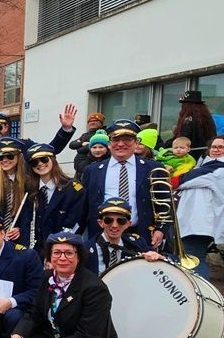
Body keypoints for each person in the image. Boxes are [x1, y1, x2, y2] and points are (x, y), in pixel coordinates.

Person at [82, 119, 167, 247]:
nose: (121, 144)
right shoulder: (92, 170)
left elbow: (164, 204)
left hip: (142, 235)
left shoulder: (154, 168)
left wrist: (161, 229)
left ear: (136, 142)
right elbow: (84, 207)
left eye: (127, 139)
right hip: (102, 235)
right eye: (115, 139)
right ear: (109, 143)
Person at [0, 106, 78, 180]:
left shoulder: (23, 146)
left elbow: (51, 150)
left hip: (18, 200)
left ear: (6, 127)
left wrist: (65, 129)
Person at [176, 136, 224, 279]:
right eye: (213, 147)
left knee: (194, 259)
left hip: (198, 222)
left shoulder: (216, 168)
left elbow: (184, 180)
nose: (216, 150)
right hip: (196, 221)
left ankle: (200, 290)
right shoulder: (206, 165)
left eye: (221, 147)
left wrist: (167, 176)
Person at [25, 143, 84, 254]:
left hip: (63, 250)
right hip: (37, 252)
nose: (40, 164)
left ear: (53, 160)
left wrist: (56, 250)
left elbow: (76, 223)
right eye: (34, 162)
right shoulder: (30, 190)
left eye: (44, 159)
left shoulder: (73, 188)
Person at [84, 198, 165, 275]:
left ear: (128, 224)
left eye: (121, 221)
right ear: (100, 223)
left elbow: (164, 264)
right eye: (108, 220)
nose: (115, 225)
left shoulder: (137, 245)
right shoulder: (85, 249)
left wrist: (156, 257)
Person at [170, 90, 216, 161]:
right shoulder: (207, 119)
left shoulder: (189, 120)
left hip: (189, 157)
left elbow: (183, 139)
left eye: (184, 104)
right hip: (205, 156)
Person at [69, 112, 106, 178]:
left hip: (92, 168)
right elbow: (71, 145)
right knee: (76, 184)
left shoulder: (103, 134)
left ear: (101, 122)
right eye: (90, 121)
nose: (92, 122)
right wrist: (82, 143)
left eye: (95, 121)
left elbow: (83, 149)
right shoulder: (85, 135)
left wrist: (79, 147)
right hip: (79, 169)